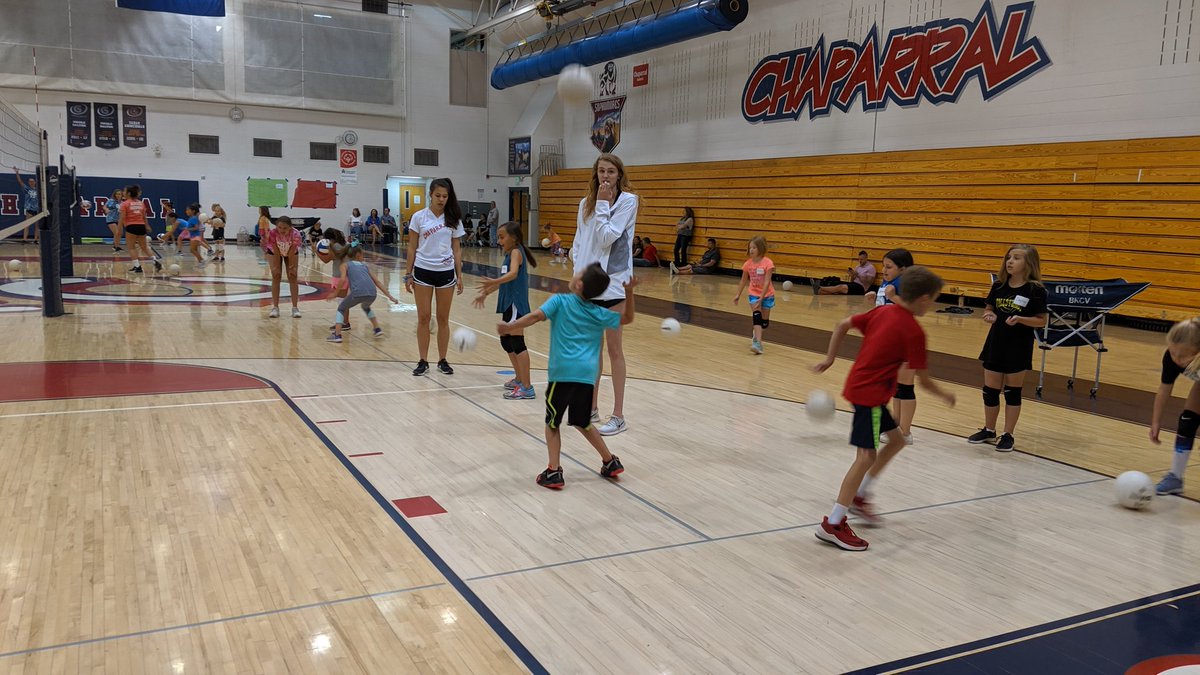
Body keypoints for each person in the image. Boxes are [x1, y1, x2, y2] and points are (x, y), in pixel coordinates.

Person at [811, 266, 956, 551]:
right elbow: (924, 381)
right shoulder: (914, 331)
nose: (932, 304)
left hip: (862, 387)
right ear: (924, 299)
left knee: (897, 440)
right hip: (870, 395)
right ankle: (834, 523)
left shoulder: (882, 311)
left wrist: (830, 359)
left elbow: (842, 324)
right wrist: (945, 395)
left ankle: (859, 496)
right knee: (865, 457)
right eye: (934, 299)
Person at [497, 263, 638, 489]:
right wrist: (629, 293)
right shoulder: (598, 313)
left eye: (578, 273)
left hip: (562, 375)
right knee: (583, 422)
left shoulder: (559, 301)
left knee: (552, 423)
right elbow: (627, 318)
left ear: (579, 284)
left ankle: (553, 471)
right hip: (586, 378)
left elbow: (534, 317)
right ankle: (609, 461)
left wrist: (509, 327)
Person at [569, 153, 638, 436]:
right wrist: (578, 273)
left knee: (614, 350)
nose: (605, 176)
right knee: (592, 351)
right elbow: (579, 243)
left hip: (615, 286)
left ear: (619, 174)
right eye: (601, 171)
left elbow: (607, 237)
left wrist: (602, 204)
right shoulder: (585, 204)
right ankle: (592, 407)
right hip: (589, 287)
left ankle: (618, 415)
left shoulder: (628, 201)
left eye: (610, 171)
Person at [967, 244, 1048, 452]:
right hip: (995, 344)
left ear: (1028, 263)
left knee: (1012, 392)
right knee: (990, 391)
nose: (1010, 261)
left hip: (1018, 347)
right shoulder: (999, 285)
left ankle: (1008, 434)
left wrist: (1021, 319)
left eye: (1016, 258)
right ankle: (989, 429)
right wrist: (989, 315)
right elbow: (989, 309)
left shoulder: (1036, 290)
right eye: (1009, 257)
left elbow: (1041, 320)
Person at [404, 178, 465, 376]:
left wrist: (459, 275)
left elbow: (457, 249)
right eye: (438, 195)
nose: (441, 199)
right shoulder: (418, 217)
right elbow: (412, 247)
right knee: (423, 317)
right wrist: (408, 273)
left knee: (443, 318)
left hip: (445, 272)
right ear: (430, 194)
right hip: (423, 270)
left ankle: (442, 360)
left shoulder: (453, 219)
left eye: (445, 196)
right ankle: (423, 360)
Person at [474, 221, 537, 399]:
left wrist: (494, 281)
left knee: (517, 342)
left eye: (502, 237)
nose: (499, 241)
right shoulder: (509, 254)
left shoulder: (516, 252)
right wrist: (486, 293)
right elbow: (506, 279)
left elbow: (513, 274)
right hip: (508, 303)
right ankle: (519, 379)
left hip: (516, 303)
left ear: (514, 238)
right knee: (506, 341)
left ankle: (527, 387)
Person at [867, 249, 918, 444]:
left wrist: (894, 297)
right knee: (897, 387)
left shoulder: (907, 284)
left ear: (903, 269)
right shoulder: (886, 283)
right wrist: (875, 300)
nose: (884, 270)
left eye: (889, 267)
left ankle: (906, 432)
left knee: (905, 387)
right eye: (883, 266)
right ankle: (896, 427)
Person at [1151, 318, 1200, 495]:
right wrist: (1156, 422)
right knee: (1187, 421)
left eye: (1184, 356)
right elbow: (1164, 388)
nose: (1177, 359)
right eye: (1173, 353)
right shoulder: (1172, 357)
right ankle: (1175, 478)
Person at [327, 243, 398, 343]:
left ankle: (337, 335)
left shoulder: (345, 265)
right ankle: (377, 328)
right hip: (372, 293)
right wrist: (390, 297)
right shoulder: (365, 266)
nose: (363, 257)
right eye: (363, 254)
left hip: (358, 292)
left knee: (341, 308)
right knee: (366, 307)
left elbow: (342, 280)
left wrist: (335, 293)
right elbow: (377, 282)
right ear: (358, 255)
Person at [732, 235, 775, 355]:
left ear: (760, 248)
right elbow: (743, 280)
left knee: (764, 323)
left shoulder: (768, 263)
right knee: (756, 315)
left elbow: (767, 281)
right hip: (753, 294)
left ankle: (757, 332)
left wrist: (762, 298)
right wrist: (738, 294)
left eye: (754, 248)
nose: (751, 250)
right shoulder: (747, 264)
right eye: (750, 247)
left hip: (767, 295)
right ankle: (757, 343)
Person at [264, 215, 303, 318]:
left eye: (285, 228)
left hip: (291, 251)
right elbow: (276, 250)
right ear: (276, 226)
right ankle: (275, 307)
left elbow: (292, 250)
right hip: (274, 252)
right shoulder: (272, 233)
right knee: (276, 275)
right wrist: (276, 267)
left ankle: (295, 308)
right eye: (279, 227)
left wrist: (291, 266)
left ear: (290, 227)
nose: (282, 230)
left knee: (293, 276)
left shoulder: (296, 234)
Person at [314, 228, 351, 330]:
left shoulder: (334, 247)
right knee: (343, 300)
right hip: (346, 275)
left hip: (339, 276)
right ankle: (344, 322)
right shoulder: (343, 244)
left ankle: (344, 323)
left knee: (341, 301)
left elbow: (326, 260)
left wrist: (316, 251)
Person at [119, 184, 161, 274]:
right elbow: (144, 216)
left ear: (129, 193)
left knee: (131, 248)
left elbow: (122, 218)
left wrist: (119, 229)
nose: (123, 192)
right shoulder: (140, 203)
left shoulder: (124, 204)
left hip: (131, 226)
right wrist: (147, 226)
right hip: (141, 226)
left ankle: (137, 267)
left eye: (124, 191)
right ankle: (155, 261)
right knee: (144, 247)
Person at [12, 166, 39, 243]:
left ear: (35, 182)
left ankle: (36, 239)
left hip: (37, 209)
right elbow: (20, 182)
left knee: (37, 226)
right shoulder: (27, 189)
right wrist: (17, 173)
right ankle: (24, 239)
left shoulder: (39, 190)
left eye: (32, 181)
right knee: (27, 224)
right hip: (29, 209)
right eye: (30, 182)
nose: (31, 183)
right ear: (29, 183)